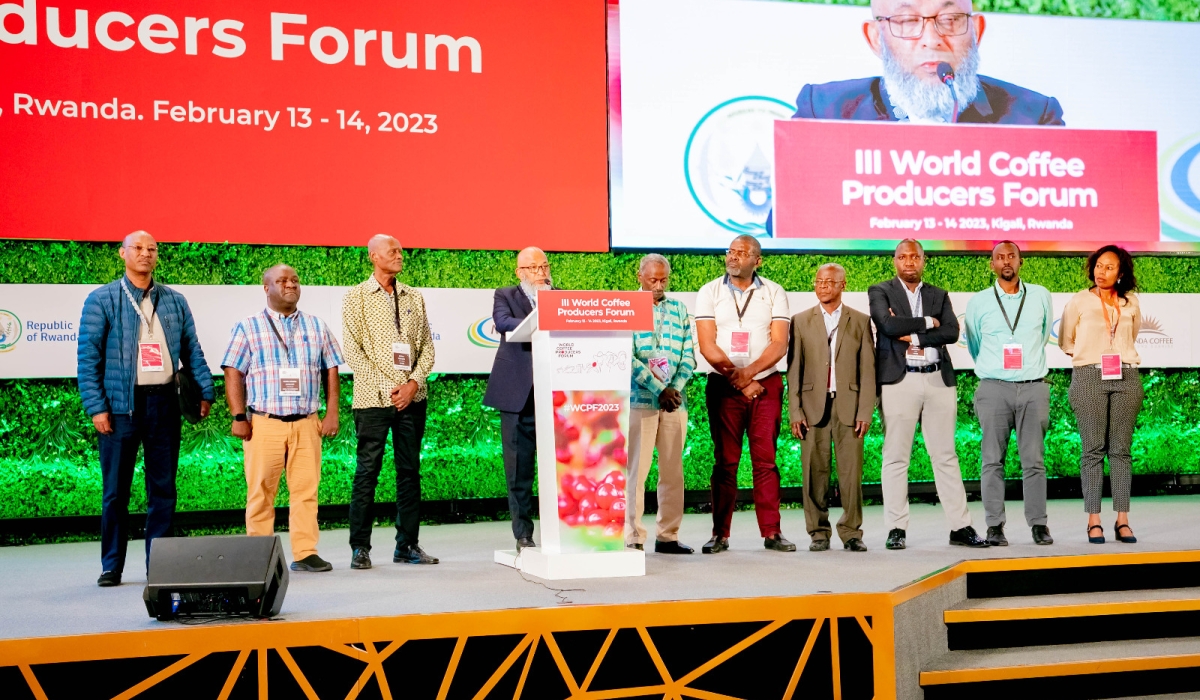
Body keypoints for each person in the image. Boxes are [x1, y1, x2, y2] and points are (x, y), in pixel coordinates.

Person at [77, 231, 214, 587]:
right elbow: (88, 360)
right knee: (115, 492)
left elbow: (192, 350)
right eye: (138, 248)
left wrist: (205, 391)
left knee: (163, 489)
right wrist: (97, 407)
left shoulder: (175, 300)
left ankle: (161, 566)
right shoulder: (102, 299)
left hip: (164, 402)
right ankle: (111, 565)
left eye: (151, 248)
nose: (145, 253)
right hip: (121, 406)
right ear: (123, 253)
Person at [221, 265, 343, 572]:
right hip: (264, 422)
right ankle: (260, 555)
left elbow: (331, 369)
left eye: (294, 281)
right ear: (266, 288)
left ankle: (305, 552)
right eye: (282, 281)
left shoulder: (317, 326)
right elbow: (233, 371)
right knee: (261, 491)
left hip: (306, 422)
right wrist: (239, 415)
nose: (290, 285)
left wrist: (332, 412)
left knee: (306, 491)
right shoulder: (247, 327)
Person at [869, 239, 987, 550]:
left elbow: (951, 332)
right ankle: (896, 528)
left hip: (938, 381)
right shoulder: (880, 291)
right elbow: (887, 324)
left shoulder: (938, 294)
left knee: (946, 455)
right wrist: (926, 322)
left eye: (915, 257)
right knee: (896, 457)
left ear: (924, 260)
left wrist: (915, 334)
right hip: (900, 380)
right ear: (895, 261)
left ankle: (960, 527)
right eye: (903, 256)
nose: (909, 262)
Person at [792, 0, 1065, 125]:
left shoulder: (1033, 118)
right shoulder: (825, 113)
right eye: (909, 21)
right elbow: (787, 220)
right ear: (876, 38)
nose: (932, 40)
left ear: (976, 31)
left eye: (949, 20)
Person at [342, 235, 438, 568]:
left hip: (412, 398)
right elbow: (353, 351)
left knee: (410, 472)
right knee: (367, 471)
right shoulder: (356, 297)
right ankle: (360, 547)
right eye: (392, 250)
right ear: (373, 256)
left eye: (400, 250)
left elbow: (428, 347)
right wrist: (391, 386)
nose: (399, 254)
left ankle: (407, 545)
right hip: (373, 399)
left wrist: (412, 384)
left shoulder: (414, 296)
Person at [695, 235, 794, 554]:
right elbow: (708, 344)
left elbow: (779, 343)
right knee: (725, 462)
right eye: (731, 251)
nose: (733, 257)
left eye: (741, 253)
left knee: (765, 462)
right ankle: (720, 534)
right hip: (723, 387)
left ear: (757, 260)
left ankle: (772, 532)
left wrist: (749, 375)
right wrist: (738, 379)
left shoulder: (774, 292)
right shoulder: (709, 291)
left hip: (765, 385)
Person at [964, 242, 1054, 547]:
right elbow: (975, 344)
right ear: (992, 264)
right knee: (992, 460)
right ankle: (994, 526)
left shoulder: (1040, 295)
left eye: (1011, 257)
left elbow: (1042, 338)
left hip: (1033, 387)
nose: (1006, 262)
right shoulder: (979, 302)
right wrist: (996, 371)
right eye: (999, 257)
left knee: (1034, 461)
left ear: (1020, 262)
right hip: (993, 388)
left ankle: (1039, 524)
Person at [787, 263, 875, 553]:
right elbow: (794, 370)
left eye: (829, 282)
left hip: (849, 407)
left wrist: (865, 411)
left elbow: (868, 370)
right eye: (819, 281)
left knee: (851, 475)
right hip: (812, 408)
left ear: (843, 285)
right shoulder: (800, 320)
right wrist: (795, 410)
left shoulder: (860, 321)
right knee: (813, 472)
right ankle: (818, 532)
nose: (823, 286)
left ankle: (851, 532)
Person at [1060, 246, 1143, 545]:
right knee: (1093, 450)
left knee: (1121, 450)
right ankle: (1093, 520)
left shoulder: (1131, 302)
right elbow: (1066, 340)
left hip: (1126, 376)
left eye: (1109, 267)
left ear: (1121, 273)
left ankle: (1123, 519)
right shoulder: (1079, 300)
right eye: (1098, 265)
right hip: (1088, 376)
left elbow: (1130, 338)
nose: (1101, 271)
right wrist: (1092, 356)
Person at [626, 254, 697, 554]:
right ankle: (633, 536)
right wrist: (659, 388)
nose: (658, 285)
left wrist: (674, 389)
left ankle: (667, 535)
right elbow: (626, 357)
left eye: (663, 279)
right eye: (652, 279)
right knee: (637, 473)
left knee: (672, 472)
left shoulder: (679, 309)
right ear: (639, 276)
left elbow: (689, 356)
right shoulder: (626, 307)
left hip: (673, 405)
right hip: (641, 400)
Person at [483, 247, 552, 551]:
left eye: (544, 266)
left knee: (558, 469)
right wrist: (541, 314)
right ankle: (523, 535)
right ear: (520, 272)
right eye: (533, 268)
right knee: (519, 471)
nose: (541, 273)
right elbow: (502, 323)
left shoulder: (562, 297)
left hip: (556, 394)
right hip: (518, 396)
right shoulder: (506, 294)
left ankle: (561, 533)